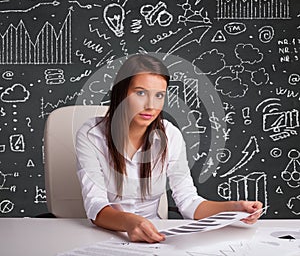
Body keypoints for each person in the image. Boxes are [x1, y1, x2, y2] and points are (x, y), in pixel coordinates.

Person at [76, 54, 263, 243]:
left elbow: (189, 201)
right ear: (121, 93)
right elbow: (96, 205)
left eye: (159, 95)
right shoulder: (92, 135)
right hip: (104, 236)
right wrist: (129, 222)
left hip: (155, 237)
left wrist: (234, 208)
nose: (150, 105)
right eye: (140, 93)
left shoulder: (170, 135)